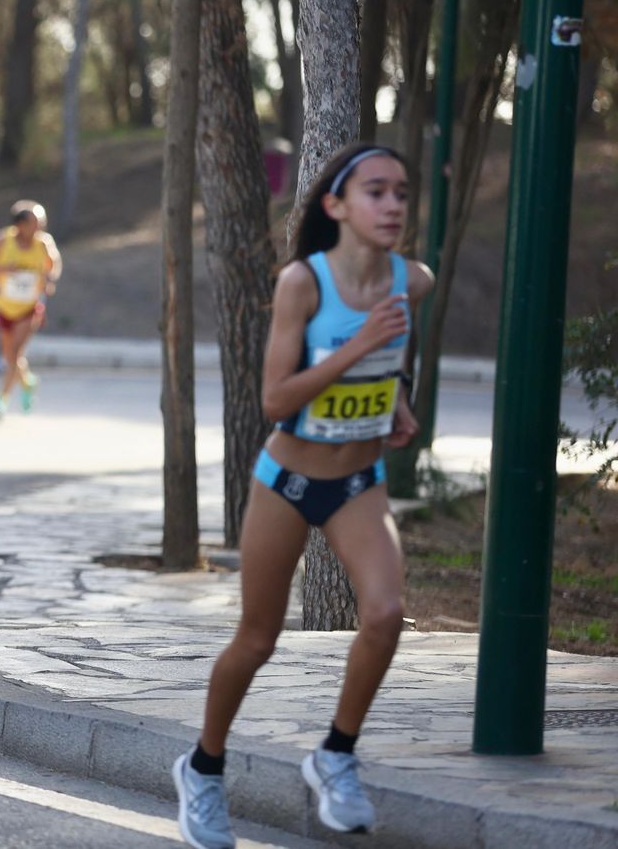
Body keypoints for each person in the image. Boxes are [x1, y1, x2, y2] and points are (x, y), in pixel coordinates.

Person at [171, 144, 434, 848]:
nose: (392, 205)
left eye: (401, 193)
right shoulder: (302, 284)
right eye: (376, 191)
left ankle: (336, 753)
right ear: (336, 206)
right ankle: (202, 767)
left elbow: (393, 358)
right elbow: (276, 397)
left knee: (384, 614)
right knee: (258, 638)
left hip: (357, 481)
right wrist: (355, 348)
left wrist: (398, 399)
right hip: (286, 482)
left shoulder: (413, 280)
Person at [0, 200, 61, 418]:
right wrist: (3, 269)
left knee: (14, 352)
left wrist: (49, 280)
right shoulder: (3, 240)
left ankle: (1, 401)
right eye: (35, 223)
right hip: (5, 305)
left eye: (42, 223)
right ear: (20, 224)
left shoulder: (43, 243)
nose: (39, 227)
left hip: (29, 307)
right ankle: (28, 382)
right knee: (10, 355)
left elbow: (55, 265)